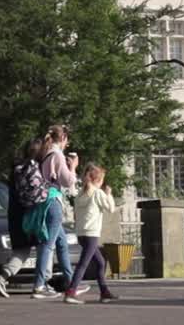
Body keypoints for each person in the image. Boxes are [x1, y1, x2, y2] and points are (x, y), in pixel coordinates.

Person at [32, 123, 86, 300]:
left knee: (61, 243)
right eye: (67, 141)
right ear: (62, 138)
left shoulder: (46, 153)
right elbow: (67, 180)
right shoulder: (57, 155)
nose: (67, 144)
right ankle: (39, 285)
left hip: (45, 201)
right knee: (48, 244)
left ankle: (71, 284)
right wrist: (73, 166)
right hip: (53, 202)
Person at [0, 137, 47, 298]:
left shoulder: (17, 168)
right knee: (45, 247)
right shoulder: (34, 168)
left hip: (15, 214)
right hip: (30, 215)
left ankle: (2, 277)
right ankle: (43, 283)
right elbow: (39, 195)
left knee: (22, 250)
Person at [62, 164, 118, 304]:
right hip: (92, 234)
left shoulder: (81, 193)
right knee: (83, 264)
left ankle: (104, 292)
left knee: (100, 263)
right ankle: (71, 292)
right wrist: (109, 194)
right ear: (98, 180)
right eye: (102, 180)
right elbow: (111, 209)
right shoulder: (98, 193)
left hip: (81, 233)